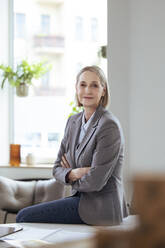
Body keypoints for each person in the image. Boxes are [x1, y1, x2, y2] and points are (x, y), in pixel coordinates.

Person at [16, 65, 128, 226]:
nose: (87, 90)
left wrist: (70, 178)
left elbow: (96, 182)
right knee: (25, 216)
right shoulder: (73, 121)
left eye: (94, 85)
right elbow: (56, 169)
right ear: (76, 88)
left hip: (101, 208)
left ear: (103, 90)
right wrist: (75, 173)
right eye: (83, 84)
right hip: (80, 200)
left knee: (23, 216)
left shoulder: (109, 125)